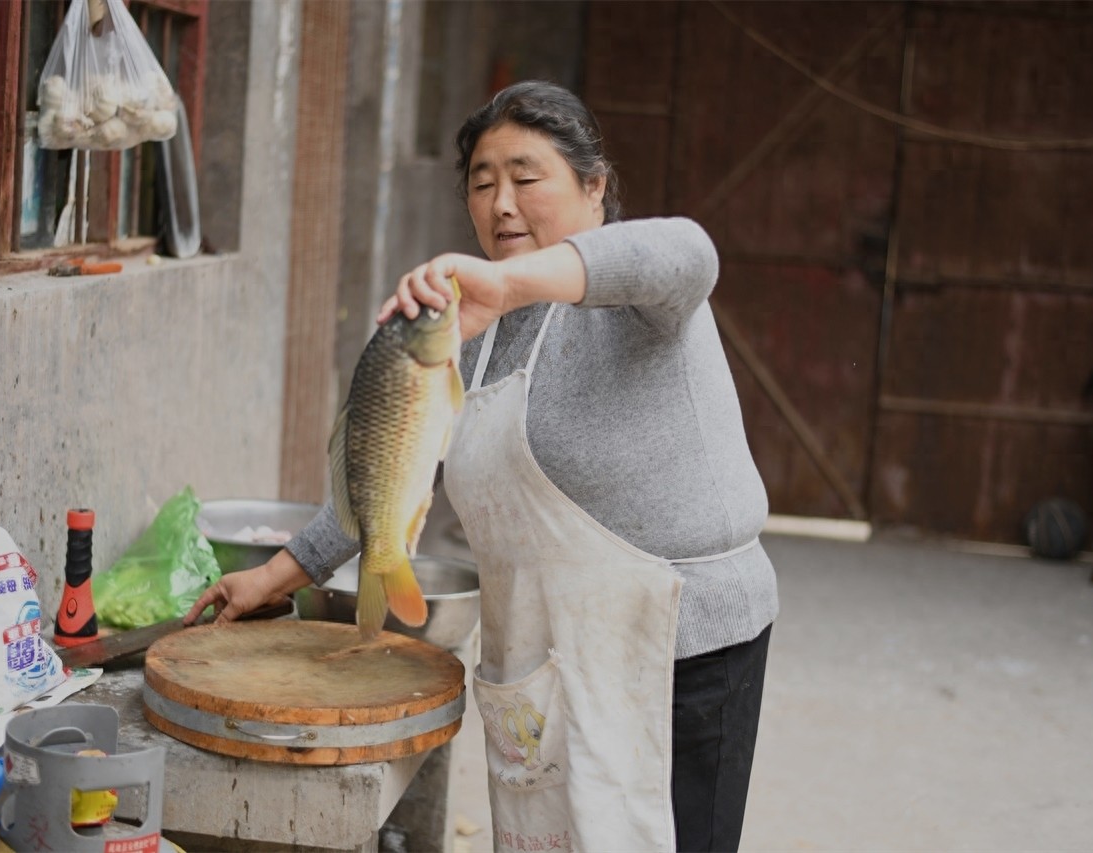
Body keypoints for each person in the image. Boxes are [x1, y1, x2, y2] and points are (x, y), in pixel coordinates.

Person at [186, 80, 778, 853]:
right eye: (482, 182)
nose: (502, 204)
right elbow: (392, 466)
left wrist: (505, 282)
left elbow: (688, 251)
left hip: (684, 652)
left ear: (595, 186)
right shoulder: (469, 328)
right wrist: (275, 576)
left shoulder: (643, 296)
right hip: (545, 659)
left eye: (527, 178)